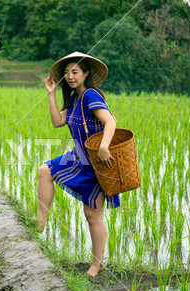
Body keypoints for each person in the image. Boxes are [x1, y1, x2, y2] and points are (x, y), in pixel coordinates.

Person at [32, 51, 120, 279]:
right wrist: (51, 94)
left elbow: (110, 121)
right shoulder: (74, 99)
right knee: (45, 170)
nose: (70, 76)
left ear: (85, 73)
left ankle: (97, 264)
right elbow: (57, 122)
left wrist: (104, 146)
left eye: (75, 72)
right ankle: (40, 222)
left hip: (96, 164)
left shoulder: (90, 95)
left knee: (92, 216)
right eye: (67, 73)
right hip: (78, 157)